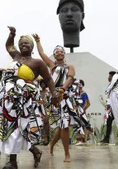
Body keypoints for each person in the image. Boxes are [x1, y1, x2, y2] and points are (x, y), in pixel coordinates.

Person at [0, 26, 59, 169]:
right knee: (11, 128)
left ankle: (14, 161)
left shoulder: (37, 63)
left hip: (25, 101)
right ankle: (32, 153)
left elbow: (48, 80)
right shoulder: (15, 56)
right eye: (21, 43)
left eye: (26, 43)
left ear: (32, 47)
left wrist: (54, 95)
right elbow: (9, 45)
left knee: (20, 129)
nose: (23, 45)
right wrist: (12, 34)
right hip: (8, 99)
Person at [33, 34, 89, 163]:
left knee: (64, 126)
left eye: (61, 52)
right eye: (56, 52)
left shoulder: (70, 67)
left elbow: (69, 78)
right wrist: (38, 41)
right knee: (63, 125)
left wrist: (63, 89)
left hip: (67, 97)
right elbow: (41, 53)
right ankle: (63, 152)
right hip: (55, 98)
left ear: (64, 54)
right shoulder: (52, 66)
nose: (59, 53)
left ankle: (56, 147)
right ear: (54, 55)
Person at [100, 71, 116, 144]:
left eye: (110, 76)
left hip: (116, 107)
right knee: (108, 122)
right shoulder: (110, 85)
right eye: (109, 76)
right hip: (110, 107)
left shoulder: (116, 85)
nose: (109, 77)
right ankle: (107, 139)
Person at [39, 79, 51, 145]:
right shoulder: (39, 92)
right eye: (41, 84)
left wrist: (49, 110)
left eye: (44, 84)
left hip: (46, 109)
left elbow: (50, 102)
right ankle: (42, 137)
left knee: (46, 123)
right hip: (40, 109)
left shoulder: (48, 93)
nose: (42, 85)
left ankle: (47, 137)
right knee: (41, 123)